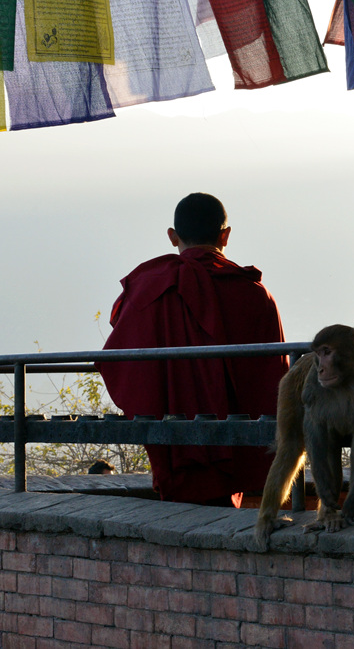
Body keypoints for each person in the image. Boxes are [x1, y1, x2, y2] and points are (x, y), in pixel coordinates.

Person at [96, 192, 288, 508]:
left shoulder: (153, 287)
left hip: (175, 446)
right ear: (225, 235)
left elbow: (118, 362)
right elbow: (274, 378)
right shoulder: (254, 294)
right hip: (237, 447)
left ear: (173, 237)